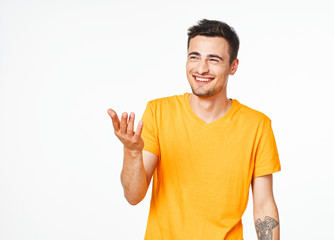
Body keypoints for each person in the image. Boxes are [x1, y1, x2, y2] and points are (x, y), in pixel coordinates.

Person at [108, 19, 281, 240]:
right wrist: (132, 152)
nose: (201, 68)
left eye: (214, 59)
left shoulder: (257, 125)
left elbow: (264, 206)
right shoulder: (158, 112)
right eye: (194, 57)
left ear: (233, 66)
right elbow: (133, 196)